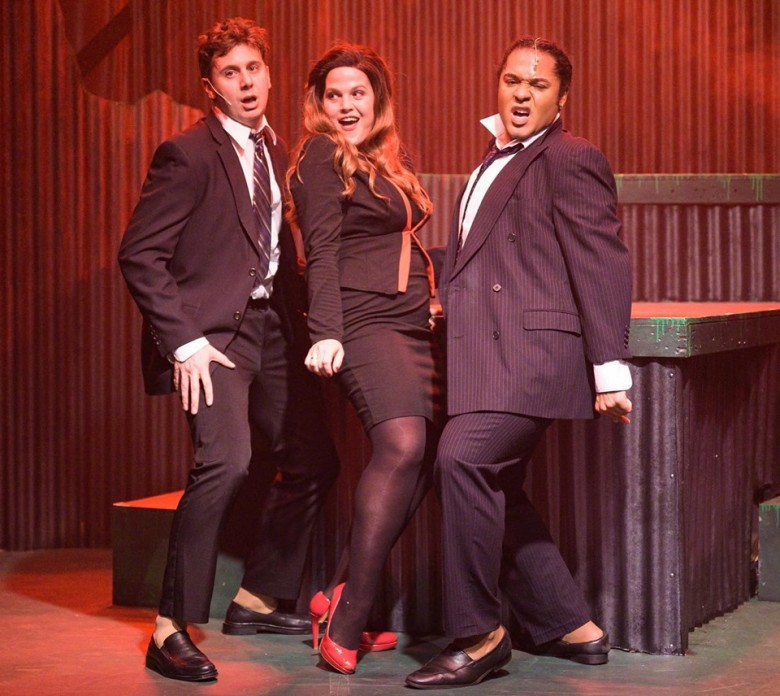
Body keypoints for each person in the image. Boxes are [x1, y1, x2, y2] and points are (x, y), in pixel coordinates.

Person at [405, 37, 633, 689]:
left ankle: (479, 637)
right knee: (493, 485)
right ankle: (569, 624)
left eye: (538, 84)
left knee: (463, 460)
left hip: (531, 356)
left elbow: (601, 261)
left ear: (563, 97)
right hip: (487, 354)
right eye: (513, 81)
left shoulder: (571, 156)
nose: (523, 94)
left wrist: (609, 369)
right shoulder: (494, 158)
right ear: (498, 85)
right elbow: (487, 255)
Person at [118, 17, 339, 682]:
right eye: (230, 73)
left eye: (253, 69)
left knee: (314, 460)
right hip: (213, 339)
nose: (245, 82)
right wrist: (184, 342)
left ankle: (258, 599)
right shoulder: (187, 153)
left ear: (269, 74)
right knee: (227, 462)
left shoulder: (276, 149)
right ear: (210, 87)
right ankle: (168, 629)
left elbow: (273, 252)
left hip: (274, 328)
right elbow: (139, 254)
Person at [287, 42, 441, 675]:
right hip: (361, 320)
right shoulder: (320, 155)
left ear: (378, 99)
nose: (347, 105)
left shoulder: (385, 158)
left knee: (423, 456)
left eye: (358, 93)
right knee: (403, 445)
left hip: (409, 323)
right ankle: (347, 620)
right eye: (335, 95)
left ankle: (337, 593)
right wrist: (326, 331)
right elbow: (321, 249)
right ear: (319, 104)